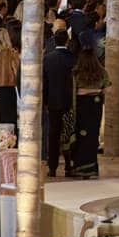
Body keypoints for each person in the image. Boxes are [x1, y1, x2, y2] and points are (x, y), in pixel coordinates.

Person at [43, 29, 77, 177]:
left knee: (53, 134)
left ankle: (52, 167)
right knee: (69, 133)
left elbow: (44, 82)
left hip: (53, 101)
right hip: (70, 101)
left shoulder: (48, 58)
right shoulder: (72, 58)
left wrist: (45, 101)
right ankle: (69, 165)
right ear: (67, 41)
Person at [68, 48, 106, 178]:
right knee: (92, 137)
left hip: (81, 105)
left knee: (81, 136)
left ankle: (80, 168)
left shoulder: (76, 73)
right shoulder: (102, 72)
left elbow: (72, 91)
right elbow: (107, 88)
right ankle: (92, 169)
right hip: (95, 105)